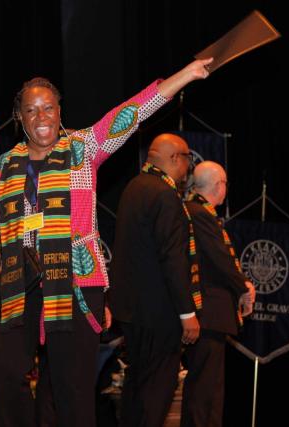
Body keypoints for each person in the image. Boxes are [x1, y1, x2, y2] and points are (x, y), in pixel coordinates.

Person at [0, 58, 213, 427]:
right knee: (2, 371)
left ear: (59, 112)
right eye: (31, 110)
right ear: (20, 118)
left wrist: (185, 75)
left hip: (75, 282)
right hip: (18, 284)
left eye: (48, 107)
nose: (40, 116)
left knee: (70, 391)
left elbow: (132, 112)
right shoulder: (3, 166)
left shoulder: (83, 148)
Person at [110, 133, 202, 427]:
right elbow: (173, 258)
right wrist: (187, 313)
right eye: (187, 159)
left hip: (132, 311)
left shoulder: (134, 188)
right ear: (175, 158)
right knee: (157, 388)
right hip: (159, 312)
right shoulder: (165, 194)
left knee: (137, 384)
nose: (188, 169)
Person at [181, 161, 255, 427]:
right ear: (218, 185)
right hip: (209, 312)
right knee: (205, 389)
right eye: (225, 183)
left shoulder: (197, 211)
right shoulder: (199, 213)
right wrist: (244, 286)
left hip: (210, 314)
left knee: (211, 388)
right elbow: (221, 259)